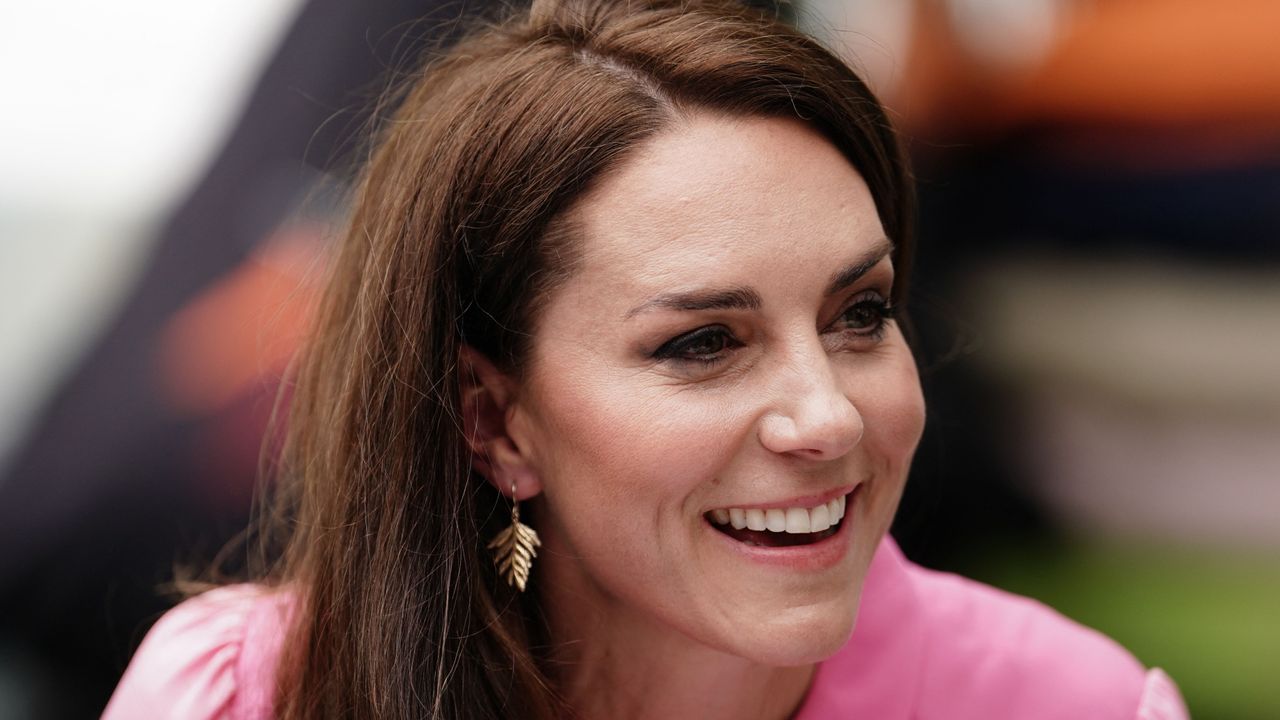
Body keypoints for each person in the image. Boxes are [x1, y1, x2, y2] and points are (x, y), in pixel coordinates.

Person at [103, 1, 1189, 718]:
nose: (827, 417)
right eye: (703, 343)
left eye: (859, 314)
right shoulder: (241, 698)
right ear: (493, 421)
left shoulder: (1067, 704)